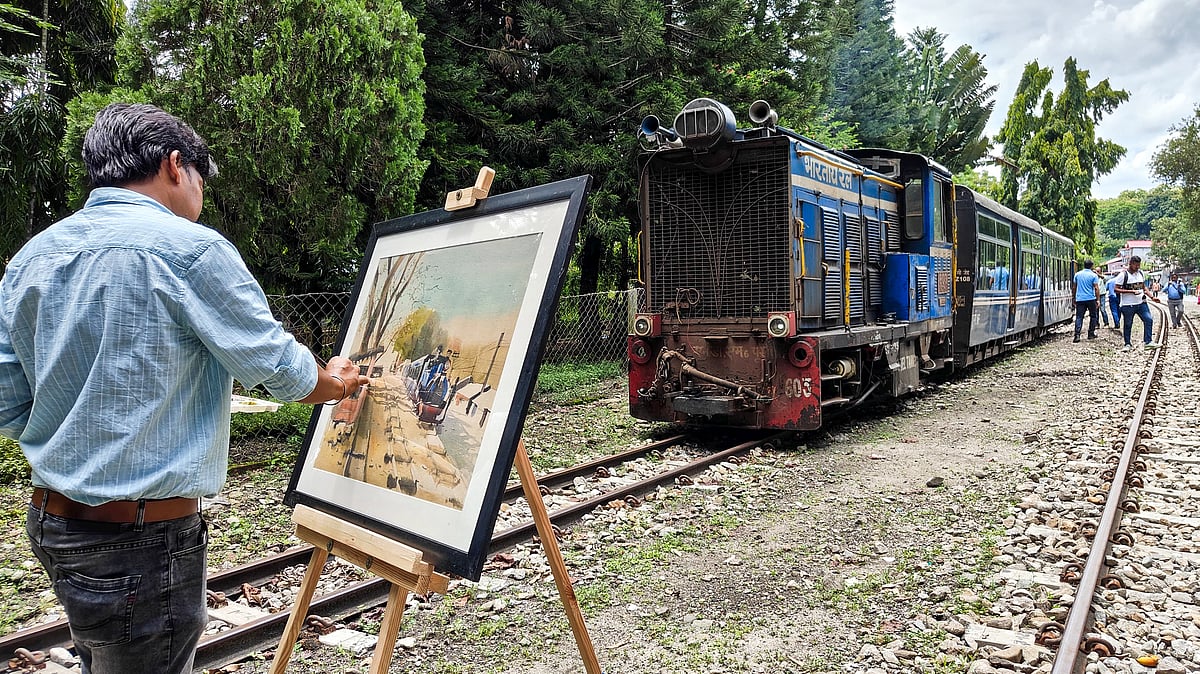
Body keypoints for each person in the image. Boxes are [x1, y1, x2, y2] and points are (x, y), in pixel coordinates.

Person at [0, 103, 368, 674]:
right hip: (142, 539)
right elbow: (275, 365)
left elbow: (7, 403)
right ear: (176, 165)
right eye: (201, 179)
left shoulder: (30, 259)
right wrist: (333, 382)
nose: (201, 197)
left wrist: (77, 434)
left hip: (54, 524)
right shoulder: (190, 250)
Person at [1113, 255, 1160, 351]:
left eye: (1139, 265)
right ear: (1130, 264)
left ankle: (1148, 341)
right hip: (1127, 305)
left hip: (1141, 303)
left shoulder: (1140, 273)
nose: (1137, 267)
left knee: (1148, 319)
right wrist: (1131, 291)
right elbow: (1116, 289)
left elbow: (1143, 287)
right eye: (1136, 265)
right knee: (1128, 324)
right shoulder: (1123, 275)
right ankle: (1127, 344)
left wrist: (1152, 297)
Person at [1071, 259, 1103, 342]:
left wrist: (1073, 298)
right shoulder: (1093, 275)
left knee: (1079, 317)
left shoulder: (1077, 274)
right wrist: (1098, 299)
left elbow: (1074, 287)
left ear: (1084, 265)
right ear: (1092, 266)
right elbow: (1096, 288)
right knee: (1093, 316)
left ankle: (1077, 335)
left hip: (1080, 299)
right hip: (1091, 298)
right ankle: (1091, 333)